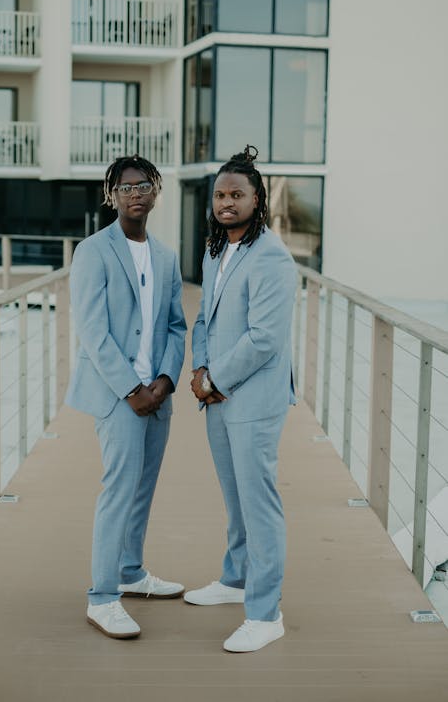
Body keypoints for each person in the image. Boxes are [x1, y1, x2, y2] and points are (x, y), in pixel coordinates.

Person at [66, 154, 187, 639]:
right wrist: (132, 389)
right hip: (119, 396)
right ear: (111, 195)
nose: (136, 193)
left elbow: (176, 324)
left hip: (157, 395)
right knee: (118, 489)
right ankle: (102, 596)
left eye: (144, 185)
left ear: (157, 192)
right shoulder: (93, 251)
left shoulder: (166, 256)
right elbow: (92, 331)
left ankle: (131, 572)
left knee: (143, 488)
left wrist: (165, 380)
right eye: (126, 186)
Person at [186, 145, 297, 653]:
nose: (226, 202)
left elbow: (264, 338)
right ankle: (235, 581)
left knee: (259, 504)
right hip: (218, 397)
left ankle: (265, 613)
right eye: (220, 195)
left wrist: (215, 379)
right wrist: (201, 369)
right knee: (236, 499)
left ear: (258, 199)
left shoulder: (272, 256)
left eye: (237, 194)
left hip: (253, 400)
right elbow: (206, 318)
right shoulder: (217, 250)